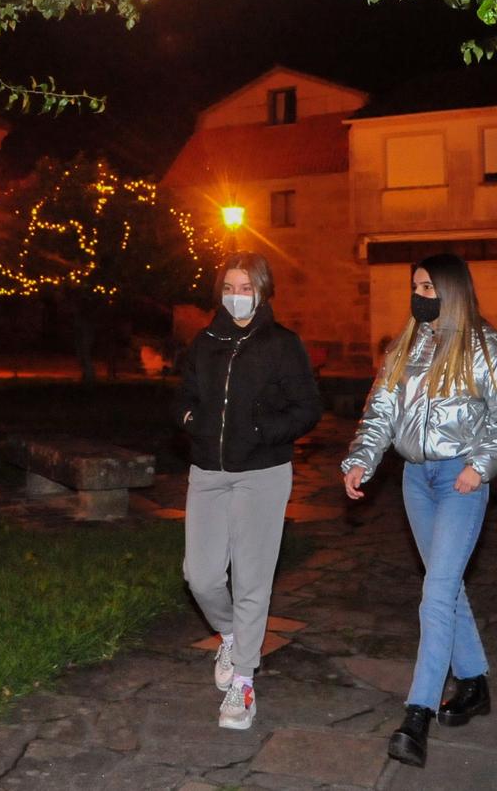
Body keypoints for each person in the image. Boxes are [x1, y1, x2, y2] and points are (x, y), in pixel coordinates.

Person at [340, 254, 497, 768]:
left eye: (427, 286)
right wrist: (361, 460)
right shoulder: (405, 346)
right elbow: (379, 411)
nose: (418, 294)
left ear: (451, 291)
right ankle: (473, 683)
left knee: (436, 593)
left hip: (459, 480)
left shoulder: (483, 348)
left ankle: (416, 715)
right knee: (446, 586)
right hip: (414, 480)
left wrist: (481, 466)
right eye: (415, 286)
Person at [174, 251, 323, 731]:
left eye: (246, 288)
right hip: (208, 473)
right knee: (200, 576)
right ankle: (231, 635)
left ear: (262, 293)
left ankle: (243, 683)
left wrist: (260, 430)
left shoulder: (281, 344)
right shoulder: (206, 342)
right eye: (230, 287)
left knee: (252, 581)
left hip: (262, 474)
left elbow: (307, 409)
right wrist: (192, 422)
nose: (237, 297)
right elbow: (184, 397)